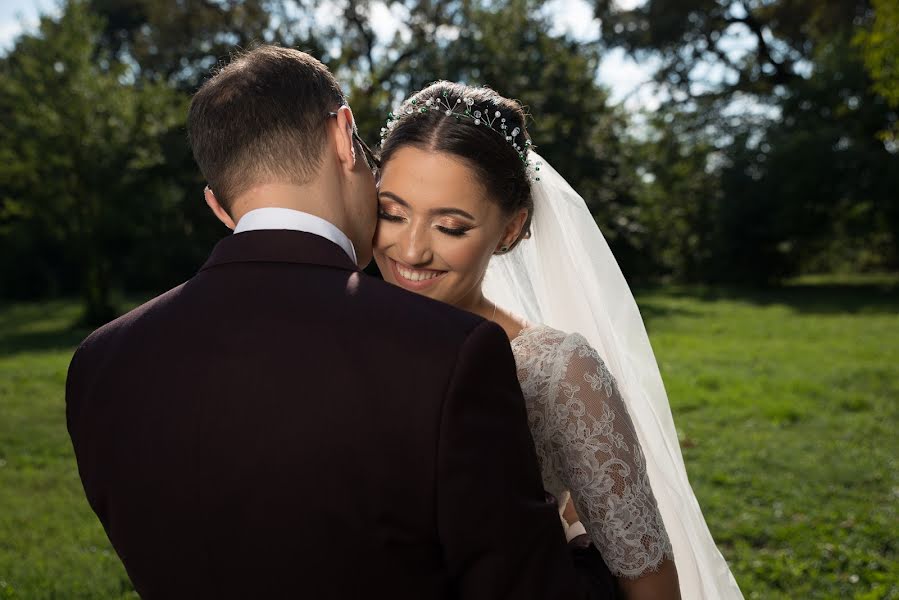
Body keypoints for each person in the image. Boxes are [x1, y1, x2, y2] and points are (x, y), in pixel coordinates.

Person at [65, 46, 591, 599]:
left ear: (219, 206)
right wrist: (579, 541)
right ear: (345, 136)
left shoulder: (98, 364)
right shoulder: (450, 354)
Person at [373, 81, 744, 599]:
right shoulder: (339, 336)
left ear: (510, 230)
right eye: (392, 213)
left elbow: (650, 583)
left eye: (451, 227)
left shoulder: (556, 370)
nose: (410, 250)